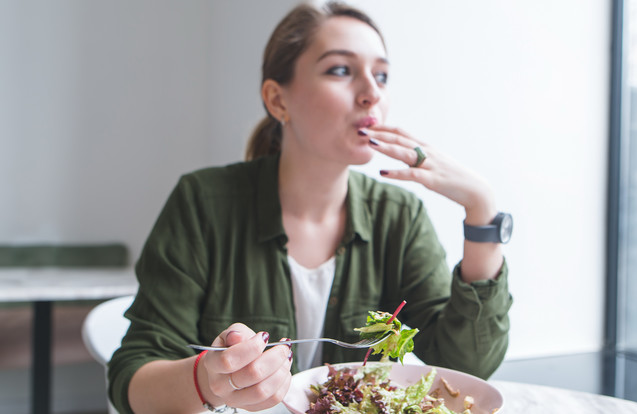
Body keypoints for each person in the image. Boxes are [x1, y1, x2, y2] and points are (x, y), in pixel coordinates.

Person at [108, 2, 513, 413]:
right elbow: (132, 377)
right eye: (340, 69)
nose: (372, 92)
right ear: (277, 99)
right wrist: (208, 380)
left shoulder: (399, 217)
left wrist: (481, 211)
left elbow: (468, 367)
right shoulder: (203, 204)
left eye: (382, 75)